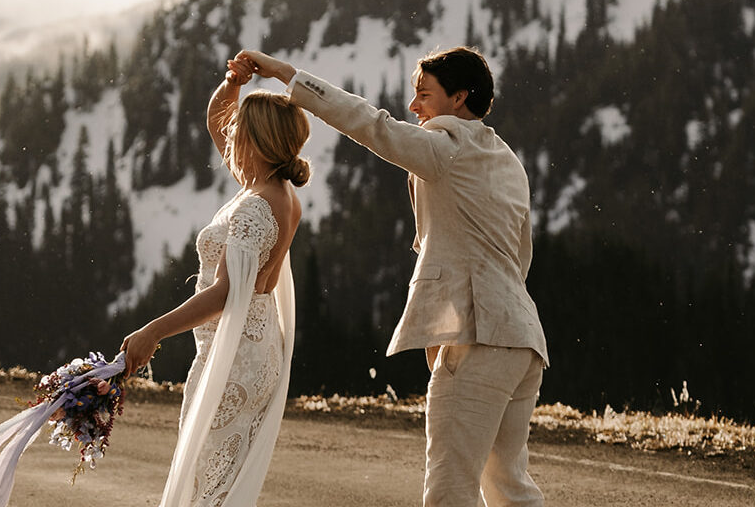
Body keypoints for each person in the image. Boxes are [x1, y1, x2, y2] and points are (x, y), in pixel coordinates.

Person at [234, 46, 547, 507]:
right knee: (510, 488)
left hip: (478, 340)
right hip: (523, 339)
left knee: (449, 490)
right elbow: (521, 256)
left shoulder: (445, 148)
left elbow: (369, 124)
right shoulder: (506, 161)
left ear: (459, 98)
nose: (413, 106)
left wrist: (287, 75)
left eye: (424, 94)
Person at [120, 56, 311, 507]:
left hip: (237, 359)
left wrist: (153, 331)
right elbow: (215, 121)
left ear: (258, 142)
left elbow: (227, 293)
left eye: (239, 132)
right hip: (254, 349)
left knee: (208, 486)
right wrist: (233, 82)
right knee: (213, 483)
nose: (230, 137)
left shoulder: (255, 208)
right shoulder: (275, 189)